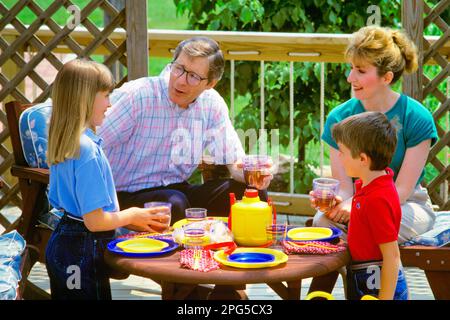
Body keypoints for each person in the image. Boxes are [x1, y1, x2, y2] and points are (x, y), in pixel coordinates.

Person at [97, 37, 273, 223]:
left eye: (193, 76)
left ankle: (242, 250)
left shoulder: (211, 104)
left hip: (176, 190)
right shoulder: (138, 96)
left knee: (251, 193)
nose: (180, 81)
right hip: (121, 196)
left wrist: (252, 174)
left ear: (210, 83)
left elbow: (234, 161)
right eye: (178, 69)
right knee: (174, 205)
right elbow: (87, 143)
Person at [45, 59, 170, 300]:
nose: (109, 104)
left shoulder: (68, 142)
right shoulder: (87, 151)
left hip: (65, 242)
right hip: (81, 249)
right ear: (85, 99)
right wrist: (133, 215)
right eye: (105, 95)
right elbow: (94, 221)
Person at [312, 26, 438, 243]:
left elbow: (402, 190)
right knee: (321, 222)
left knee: (371, 223)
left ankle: (367, 274)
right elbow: (344, 187)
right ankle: (363, 274)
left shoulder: (416, 117)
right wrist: (335, 200)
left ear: (387, 77)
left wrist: (359, 206)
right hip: (356, 204)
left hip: (406, 206)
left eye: (361, 71)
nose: (351, 77)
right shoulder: (338, 118)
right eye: (351, 68)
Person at [332, 111, 408, 300]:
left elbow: (392, 256)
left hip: (376, 283)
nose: (339, 156)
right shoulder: (368, 185)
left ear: (363, 159)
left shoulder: (377, 198)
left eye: (342, 151)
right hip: (364, 274)